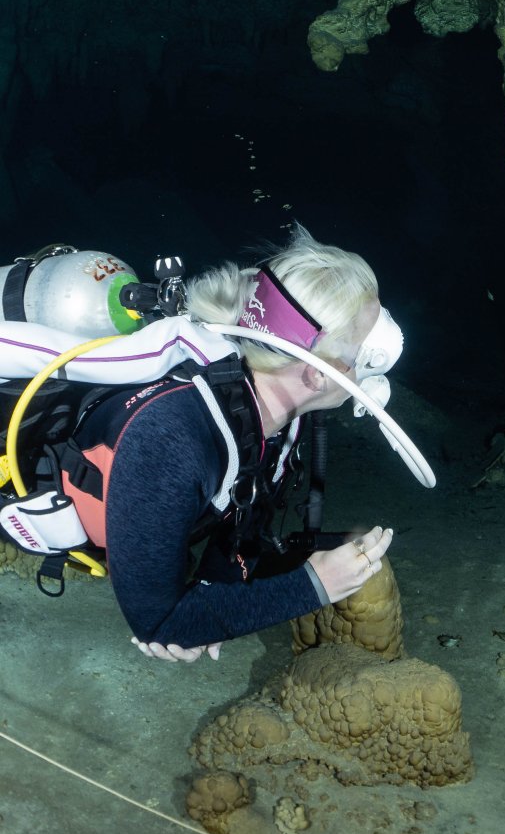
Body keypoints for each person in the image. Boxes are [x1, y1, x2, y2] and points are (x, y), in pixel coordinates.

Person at [60, 225, 397, 663]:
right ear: (317, 374)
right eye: (368, 349)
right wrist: (316, 585)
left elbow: (245, 522)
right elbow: (157, 624)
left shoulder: (279, 419)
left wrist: (214, 609)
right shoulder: (172, 439)